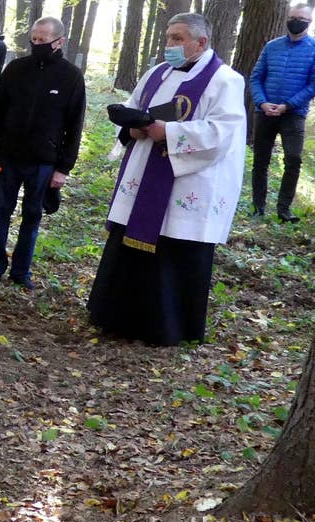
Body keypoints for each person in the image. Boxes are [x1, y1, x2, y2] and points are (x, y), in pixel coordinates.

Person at [87, 14, 245, 346]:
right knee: (128, 250)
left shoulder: (225, 80)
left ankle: (165, 329)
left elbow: (222, 131)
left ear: (201, 43)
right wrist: (131, 126)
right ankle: (115, 318)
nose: (169, 45)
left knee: (172, 256)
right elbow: (132, 106)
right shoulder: (157, 73)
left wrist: (168, 133)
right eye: (168, 37)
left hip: (187, 183)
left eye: (177, 38)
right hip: (144, 173)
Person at [0, 16, 85, 291]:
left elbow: (74, 126)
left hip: (44, 163)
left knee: (32, 217)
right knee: (0, 212)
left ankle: (21, 272)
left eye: (43, 40)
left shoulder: (71, 76)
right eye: (33, 39)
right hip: (7, 158)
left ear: (58, 42)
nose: (36, 44)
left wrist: (64, 168)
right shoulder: (15, 69)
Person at [248, 3, 315, 223]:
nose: (296, 21)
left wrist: (288, 104)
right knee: (260, 160)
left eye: (302, 19)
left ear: (310, 22)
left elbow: (313, 85)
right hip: (265, 112)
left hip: (294, 114)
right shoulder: (271, 46)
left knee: (294, 159)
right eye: (293, 17)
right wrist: (262, 102)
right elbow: (256, 77)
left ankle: (284, 210)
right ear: (287, 18)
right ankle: (258, 207)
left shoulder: (313, 48)